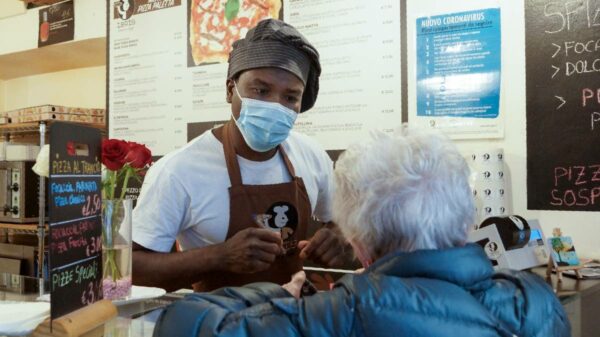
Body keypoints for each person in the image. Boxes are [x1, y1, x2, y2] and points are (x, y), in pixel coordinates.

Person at [153, 126, 571, 337]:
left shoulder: (341, 313)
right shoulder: (534, 303)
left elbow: (180, 322)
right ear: (467, 221)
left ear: (357, 243)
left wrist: (284, 294)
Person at [132, 19, 347, 292]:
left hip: (293, 318)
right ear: (230, 89)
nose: (275, 105)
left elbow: (341, 220)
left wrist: (335, 238)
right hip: (218, 322)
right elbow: (133, 267)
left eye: (290, 97)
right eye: (261, 90)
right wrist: (219, 256)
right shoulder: (179, 170)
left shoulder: (311, 155)